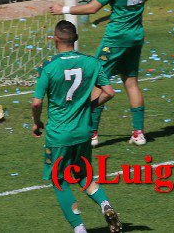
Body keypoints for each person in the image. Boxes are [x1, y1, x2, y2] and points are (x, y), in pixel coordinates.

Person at [49, 0, 153, 146]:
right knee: (131, 82)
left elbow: (94, 7)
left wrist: (64, 9)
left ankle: (92, 134)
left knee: (97, 82)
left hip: (116, 37)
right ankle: (138, 133)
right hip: (135, 35)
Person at [32, 20, 123, 233]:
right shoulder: (92, 63)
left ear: (55, 40)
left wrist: (37, 123)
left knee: (59, 180)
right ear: (75, 40)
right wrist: (88, 105)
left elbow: (37, 103)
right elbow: (109, 92)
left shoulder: (49, 66)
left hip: (59, 135)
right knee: (84, 174)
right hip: (83, 132)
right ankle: (105, 205)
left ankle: (79, 228)